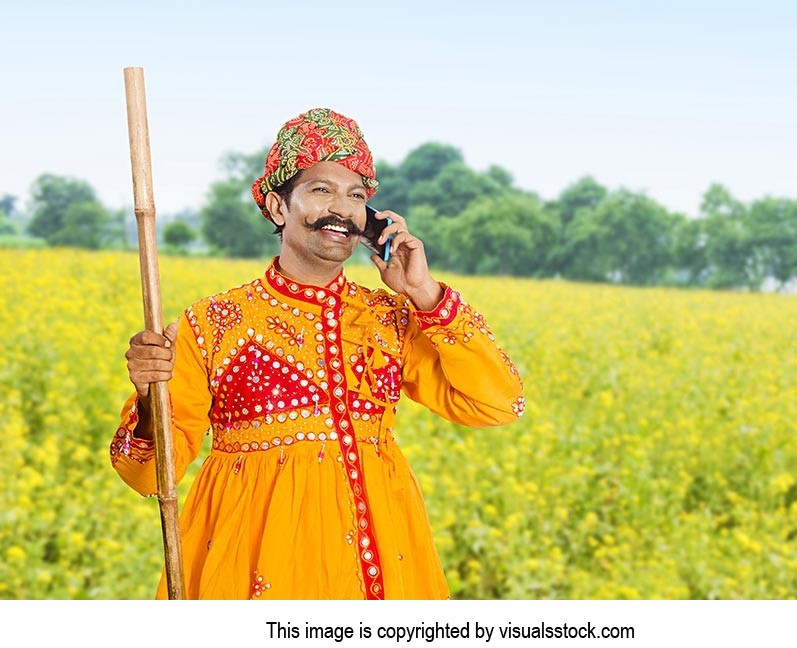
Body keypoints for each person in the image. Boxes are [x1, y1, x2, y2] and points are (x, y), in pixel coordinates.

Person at [110, 108, 525, 599]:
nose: (342, 208)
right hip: (254, 565)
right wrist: (147, 400)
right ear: (278, 207)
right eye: (322, 190)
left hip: (386, 563)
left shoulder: (390, 320)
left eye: (356, 196)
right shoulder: (210, 324)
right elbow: (149, 475)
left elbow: (499, 404)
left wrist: (426, 294)